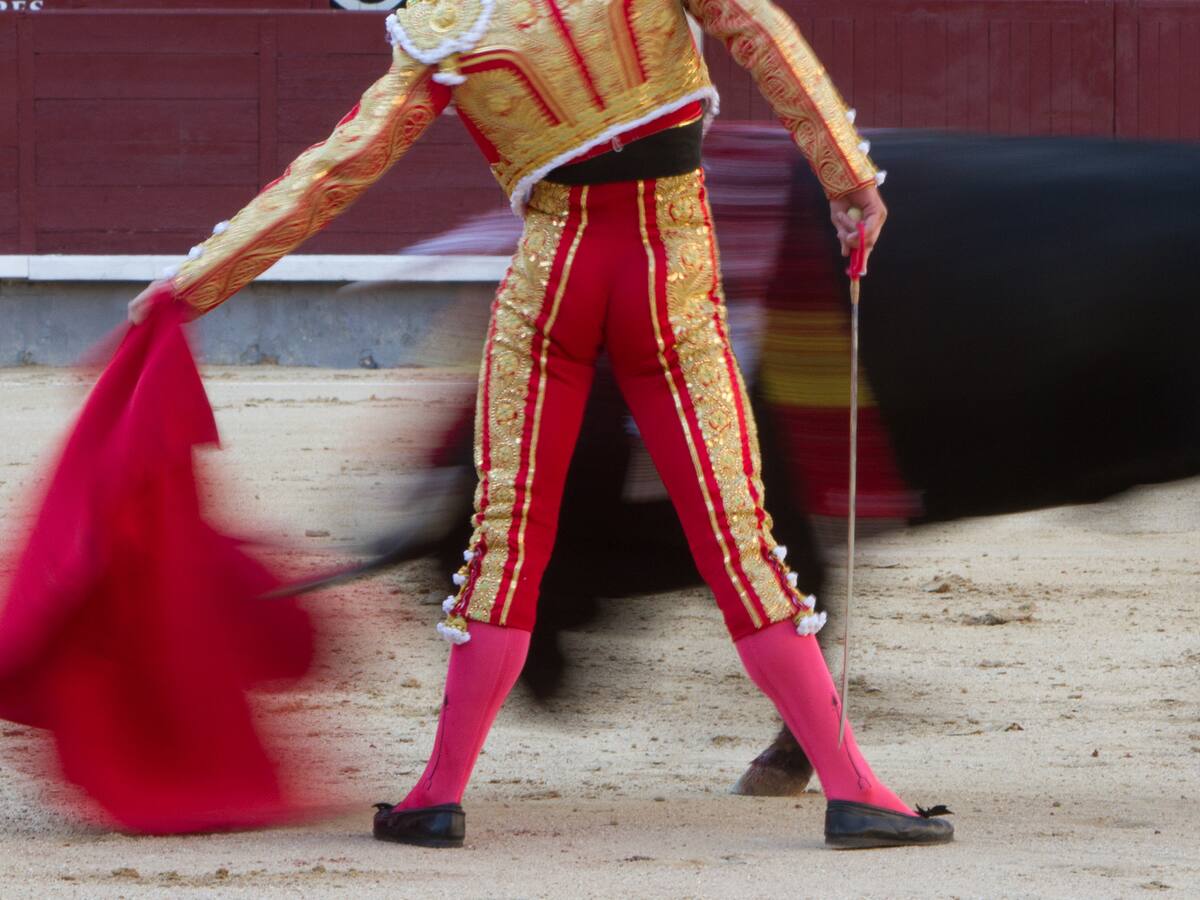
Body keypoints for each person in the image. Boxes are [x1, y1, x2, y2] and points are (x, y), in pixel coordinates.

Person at [129, 0, 952, 850]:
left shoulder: (448, 19)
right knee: (738, 538)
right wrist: (847, 175)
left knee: (506, 539)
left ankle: (434, 798)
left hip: (554, 275)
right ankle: (853, 788)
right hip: (668, 268)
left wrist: (192, 286)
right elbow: (758, 30)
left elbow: (339, 167)